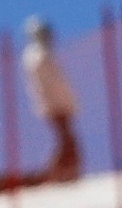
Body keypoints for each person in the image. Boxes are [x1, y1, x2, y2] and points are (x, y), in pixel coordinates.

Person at [21, 17, 82, 182]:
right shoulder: (40, 57)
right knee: (67, 139)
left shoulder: (39, 56)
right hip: (55, 104)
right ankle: (58, 172)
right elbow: (56, 84)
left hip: (56, 104)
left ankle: (64, 171)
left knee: (67, 138)